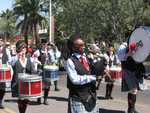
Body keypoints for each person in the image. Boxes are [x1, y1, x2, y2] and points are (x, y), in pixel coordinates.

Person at [66, 35, 98, 113]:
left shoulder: (87, 58)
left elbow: (92, 70)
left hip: (91, 96)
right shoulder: (70, 61)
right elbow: (75, 79)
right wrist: (91, 78)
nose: (84, 47)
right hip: (78, 98)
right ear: (73, 48)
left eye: (84, 44)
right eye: (81, 45)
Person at [117, 41, 145, 113]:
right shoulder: (123, 46)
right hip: (128, 69)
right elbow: (121, 58)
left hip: (135, 69)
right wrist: (129, 53)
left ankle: (131, 108)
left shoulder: (137, 43)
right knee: (133, 90)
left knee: (134, 91)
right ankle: (131, 109)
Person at [11, 40, 34, 113]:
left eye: (25, 47)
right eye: (22, 47)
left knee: (26, 100)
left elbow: (32, 70)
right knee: (20, 100)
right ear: (18, 49)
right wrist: (18, 56)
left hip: (26, 83)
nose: (24, 49)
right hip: (18, 83)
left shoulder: (28, 59)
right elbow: (11, 64)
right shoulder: (15, 58)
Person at [0, 39, 12, 109]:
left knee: (2, 88)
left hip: (3, 71)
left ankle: (0, 102)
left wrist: (6, 65)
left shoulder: (6, 50)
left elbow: (10, 60)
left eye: (1, 41)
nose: (0, 42)